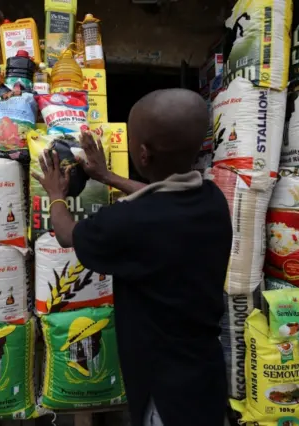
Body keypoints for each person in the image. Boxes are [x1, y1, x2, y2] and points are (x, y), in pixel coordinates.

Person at [32, 88, 231, 426]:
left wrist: (55, 195)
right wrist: (107, 177)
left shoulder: (129, 223)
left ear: (141, 153)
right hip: (206, 373)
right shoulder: (212, 199)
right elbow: (161, 194)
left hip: (165, 391)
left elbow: (67, 234)